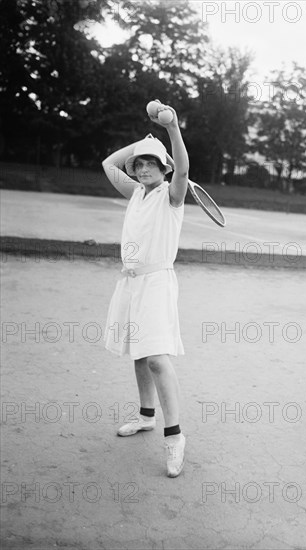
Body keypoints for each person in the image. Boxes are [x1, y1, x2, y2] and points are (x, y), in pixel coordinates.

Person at [101, 102, 189, 478]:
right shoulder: (135, 192)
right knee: (138, 355)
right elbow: (108, 164)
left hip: (156, 283)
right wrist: (142, 142)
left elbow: (183, 167)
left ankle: (175, 436)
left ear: (163, 167)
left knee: (156, 358)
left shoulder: (172, 194)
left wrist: (170, 128)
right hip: (131, 283)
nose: (144, 167)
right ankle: (145, 416)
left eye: (152, 162)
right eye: (140, 163)